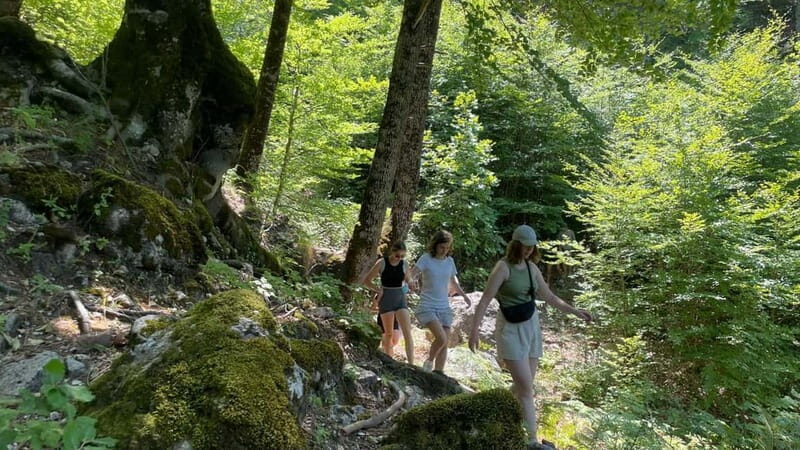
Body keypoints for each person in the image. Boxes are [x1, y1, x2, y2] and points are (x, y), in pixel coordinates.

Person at [468, 225, 592, 450]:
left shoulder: (532, 268)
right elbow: (485, 299)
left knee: (524, 385)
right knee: (526, 388)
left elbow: (550, 296)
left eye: (531, 247)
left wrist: (576, 312)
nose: (527, 251)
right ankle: (532, 440)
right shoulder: (502, 268)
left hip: (532, 328)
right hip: (510, 330)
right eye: (524, 247)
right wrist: (474, 331)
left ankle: (492, 407)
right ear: (515, 245)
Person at [409, 230, 471, 374]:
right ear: (435, 245)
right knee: (441, 338)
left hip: (444, 307)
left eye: (447, 247)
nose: (445, 250)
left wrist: (464, 295)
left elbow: (453, 281)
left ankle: (439, 373)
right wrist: (409, 282)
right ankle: (429, 361)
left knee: (444, 343)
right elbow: (412, 274)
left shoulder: (450, 261)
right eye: (442, 247)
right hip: (427, 305)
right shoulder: (426, 259)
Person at [362, 241, 416, 364]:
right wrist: (378, 290)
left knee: (407, 332)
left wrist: (411, 283)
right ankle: (389, 362)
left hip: (400, 298)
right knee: (388, 334)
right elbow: (367, 280)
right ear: (392, 252)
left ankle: (412, 364)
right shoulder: (382, 263)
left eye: (402, 256)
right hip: (386, 299)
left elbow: (408, 279)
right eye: (397, 256)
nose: (399, 258)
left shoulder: (404, 264)